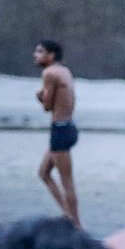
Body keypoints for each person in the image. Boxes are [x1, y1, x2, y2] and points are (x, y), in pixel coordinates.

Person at [33, 40, 80, 226]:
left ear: (51, 55)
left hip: (60, 129)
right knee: (44, 172)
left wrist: (40, 97)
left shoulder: (49, 73)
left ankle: (76, 225)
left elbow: (47, 106)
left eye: (39, 52)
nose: (35, 55)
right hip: (68, 127)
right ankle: (67, 215)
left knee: (67, 182)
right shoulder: (64, 70)